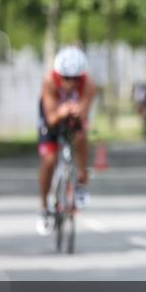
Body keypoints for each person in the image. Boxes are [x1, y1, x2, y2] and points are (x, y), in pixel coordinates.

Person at [37, 46, 97, 235]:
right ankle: (45, 207)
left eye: (75, 78)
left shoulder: (89, 84)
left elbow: (84, 114)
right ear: (58, 74)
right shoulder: (49, 81)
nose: (70, 83)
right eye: (66, 78)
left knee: (81, 136)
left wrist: (77, 113)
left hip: (74, 116)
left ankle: (82, 182)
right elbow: (51, 119)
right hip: (52, 114)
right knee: (49, 160)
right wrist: (62, 112)